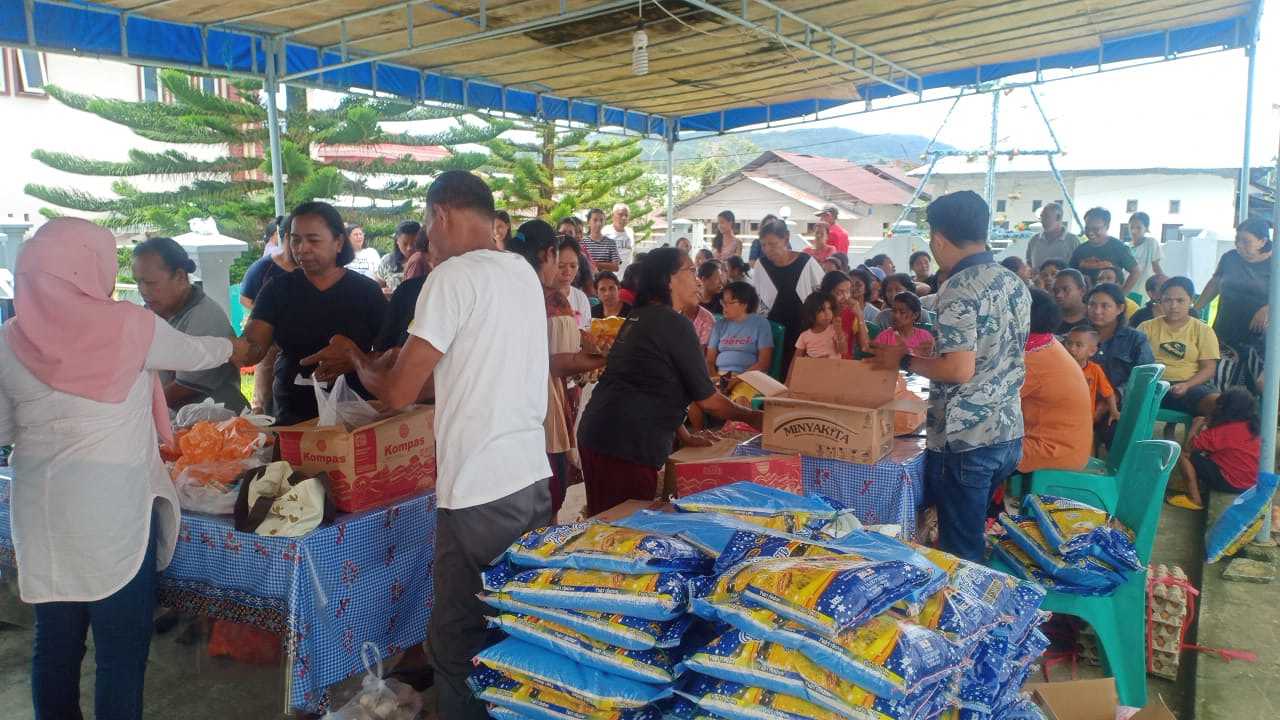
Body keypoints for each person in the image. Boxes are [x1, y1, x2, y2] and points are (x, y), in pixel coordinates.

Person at [302, 171, 553, 720]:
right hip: (530, 479)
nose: (424, 243)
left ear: (440, 215)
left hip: (477, 489)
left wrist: (360, 361)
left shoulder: (452, 278)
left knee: (458, 636)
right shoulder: (520, 272)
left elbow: (395, 394)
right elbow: (457, 371)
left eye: (426, 226)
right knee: (515, 621)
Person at [0, 218, 249, 720]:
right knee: (120, 653)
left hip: (42, 511)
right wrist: (238, 348)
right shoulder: (129, 326)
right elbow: (199, 352)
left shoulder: (9, 338)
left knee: (56, 642)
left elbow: (4, 430)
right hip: (113, 513)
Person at [871, 191, 1029, 562]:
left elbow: (959, 369)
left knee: (961, 552)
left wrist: (904, 360)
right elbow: (990, 352)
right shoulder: (1012, 281)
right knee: (970, 531)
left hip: (967, 441)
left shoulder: (959, 288)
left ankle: (967, 613)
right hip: (1007, 432)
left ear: (939, 239)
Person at [577, 248, 763, 516]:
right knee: (621, 533)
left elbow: (655, 381)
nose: (697, 279)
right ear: (668, 280)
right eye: (690, 270)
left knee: (607, 525)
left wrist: (685, 435)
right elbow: (710, 401)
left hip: (602, 435)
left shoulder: (642, 316)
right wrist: (755, 418)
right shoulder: (673, 323)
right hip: (625, 444)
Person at [241, 202, 388, 425]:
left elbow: (389, 353)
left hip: (354, 410)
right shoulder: (277, 289)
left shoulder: (366, 291)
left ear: (338, 242)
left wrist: (357, 359)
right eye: (295, 239)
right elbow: (253, 348)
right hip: (293, 408)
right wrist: (223, 347)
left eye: (313, 240)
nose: (302, 248)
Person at [512, 221, 606, 523]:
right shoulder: (551, 297)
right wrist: (603, 359)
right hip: (543, 405)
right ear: (548, 254)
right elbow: (559, 363)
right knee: (548, 499)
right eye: (559, 262)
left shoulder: (508, 289)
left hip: (510, 403)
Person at [131, 237, 248, 413]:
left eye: (150, 283)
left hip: (211, 421)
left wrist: (137, 410)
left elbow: (184, 388)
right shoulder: (151, 312)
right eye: (138, 282)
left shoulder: (206, 317)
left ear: (179, 276)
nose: (143, 290)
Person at [1014, 288, 1092, 474]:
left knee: (974, 452)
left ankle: (983, 503)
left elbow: (988, 400)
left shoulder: (1033, 358)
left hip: (1052, 451)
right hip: (1063, 446)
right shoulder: (1044, 343)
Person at [1194, 217, 1272, 393]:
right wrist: (1196, 308)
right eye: (1238, 240)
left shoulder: (1276, 263)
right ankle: (1219, 417)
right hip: (1226, 329)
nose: (1239, 245)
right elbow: (1215, 282)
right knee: (1220, 378)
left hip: (1259, 337)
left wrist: (1268, 308)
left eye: (1246, 241)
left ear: (1263, 241)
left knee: (1261, 384)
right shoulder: (1230, 258)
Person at [752, 219, 825, 378]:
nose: (767, 250)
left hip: (802, 330)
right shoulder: (761, 265)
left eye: (772, 244)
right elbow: (757, 301)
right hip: (772, 331)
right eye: (763, 245)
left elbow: (823, 295)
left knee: (799, 376)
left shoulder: (806, 262)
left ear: (786, 238)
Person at [1167, 388, 1262, 510]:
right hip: (1251, 484)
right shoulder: (1253, 426)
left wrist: (1196, 425)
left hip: (1231, 482)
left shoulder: (1223, 431)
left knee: (1182, 454)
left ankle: (1195, 499)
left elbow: (1188, 448)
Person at [1139, 276, 1221, 417]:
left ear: (1191, 301)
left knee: (1218, 403)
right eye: (1168, 300)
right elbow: (1136, 363)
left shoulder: (1203, 330)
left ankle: (1201, 436)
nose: (1173, 306)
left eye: (1180, 300)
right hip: (1152, 387)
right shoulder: (1146, 327)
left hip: (1189, 387)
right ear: (1160, 301)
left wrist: (1187, 385)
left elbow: (1209, 368)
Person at [239, 216, 296, 414]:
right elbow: (244, 299)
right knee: (265, 397)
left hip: (301, 346)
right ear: (286, 237)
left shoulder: (314, 269)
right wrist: (267, 314)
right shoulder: (263, 267)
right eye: (297, 239)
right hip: (269, 342)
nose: (304, 246)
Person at [1085, 282, 1154, 401]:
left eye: (1105, 306)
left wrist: (1114, 397)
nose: (1097, 311)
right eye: (1092, 305)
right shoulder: (1078, 336)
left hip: (1120, 406)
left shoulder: (1135, 339)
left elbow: (1145, 377)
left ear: (1120, 309)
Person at [707, 282, 775, 375]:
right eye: (723, 302)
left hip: (750, 377)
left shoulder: (760, 323)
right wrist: (716, 381)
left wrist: (736, 380)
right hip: (721, 376)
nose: (724, 307)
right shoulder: (719, 325)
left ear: (744, 304)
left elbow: (764, 363)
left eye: (730, 302)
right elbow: (710, 361)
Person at [1064, 325, 1120, 431]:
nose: (1071, 348)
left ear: (1092, 351)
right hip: (1062, 418)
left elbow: (1108, 393)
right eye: (1068, 343)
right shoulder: (1059, 368)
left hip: (1085, 420)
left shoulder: (1095, 370)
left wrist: (1114, 411)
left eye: (1078, 345)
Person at [1071, 207, 1139, 294]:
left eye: (1096, 229)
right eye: (1087, 228)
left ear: (1107, 226)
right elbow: (1070, 274)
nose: (1090, 233)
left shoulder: (1118, 247)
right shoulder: (1080, 250)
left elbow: (1136, 272)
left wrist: (1122, 295)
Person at [820, 270, 869, 357]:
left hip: (843, 365)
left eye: (848, 291)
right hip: (817, 362)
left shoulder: (852, 315)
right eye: (839, 293)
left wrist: (860, 315)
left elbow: (864, 347)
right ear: (827, 293)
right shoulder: (817, 313)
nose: (846, 297)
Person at [1027, 203, 1080, 271]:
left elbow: (1078, 267)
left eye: (1046, 217)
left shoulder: (1072, 241)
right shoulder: (1034, 240)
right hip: (1038, 281)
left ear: (1058, 217)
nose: (1042, 220)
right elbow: (1029, 263)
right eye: (1041, 216)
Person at [555, 237, 593, 330]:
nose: (567, 272)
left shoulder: (580, 298)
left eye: (573, 266)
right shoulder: (541, 296)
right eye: (561, 266)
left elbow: (586, 331)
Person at [375, 220, 422, 291]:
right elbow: (378, 287)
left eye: (413, 243)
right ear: (397, 241)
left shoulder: (428, 261)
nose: (409, 248)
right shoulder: (387, 261)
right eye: (405, 244)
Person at [794, 292, 842, 359]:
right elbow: (796, 360)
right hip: (813, 368)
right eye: (822, 310)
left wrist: (839, 332)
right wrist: (815, 362)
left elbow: (843, 351)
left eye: (830, 308)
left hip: (835, 368)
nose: (827, 313)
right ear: (810, 314)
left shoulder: (834, 330)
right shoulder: (804, 336)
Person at [1127, 212, 1163, 300]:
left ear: (1146, 229)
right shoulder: (1126, 247)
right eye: (1131, 227)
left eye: (1138, 228)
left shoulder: (1151, 243)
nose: (1134, 231)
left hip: (1143, 290)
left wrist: (1165, 284)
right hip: (1127, 288)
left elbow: (1156, 267)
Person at [582, 208, 622, 272]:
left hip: (606, 280)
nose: (599, 223)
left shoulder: (611, 243)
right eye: (595, 220)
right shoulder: (582, 242)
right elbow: (580, 265)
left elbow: (616, 267)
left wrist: (594, 264)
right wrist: (606, 265)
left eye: (601, 220)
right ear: (588, 222)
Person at [1052, 268, 1089, 335]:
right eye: (1055, 291)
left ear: (1082, 291)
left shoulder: (1095, 318)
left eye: (1066, 289)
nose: (1059, 295)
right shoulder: (1050, 319)